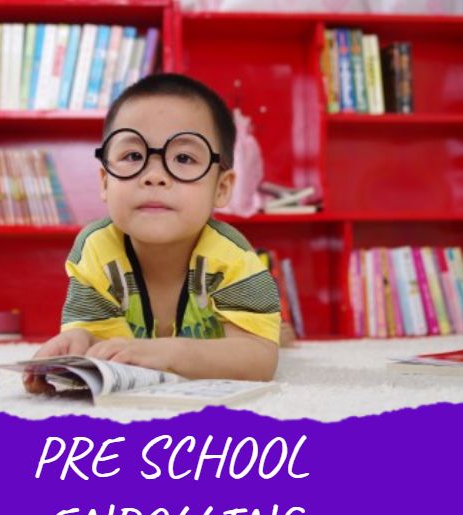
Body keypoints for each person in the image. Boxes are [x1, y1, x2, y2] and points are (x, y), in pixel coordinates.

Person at [24, 72, 280, 394]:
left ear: (222, 188)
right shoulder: (96, 250)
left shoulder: (234, 258)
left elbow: (260, 358)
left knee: (274, 335)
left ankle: (280, 328)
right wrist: (80, 342)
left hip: (223, 337)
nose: (155, 176)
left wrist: (169, 352)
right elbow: (102, 339)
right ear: (105, 182)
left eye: (184, 158)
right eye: (133, 156)